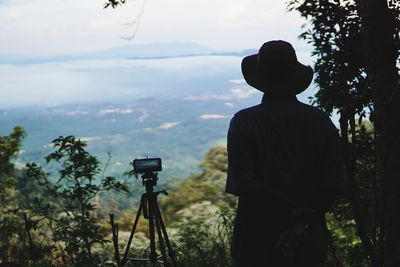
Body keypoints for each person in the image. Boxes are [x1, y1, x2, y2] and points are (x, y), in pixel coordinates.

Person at [225, 40, 345, 266]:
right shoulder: (320, 121)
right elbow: (334, 181)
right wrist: (301, 221)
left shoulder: (245, 122)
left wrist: (287, 213)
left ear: (260, 76)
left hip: (257, 237)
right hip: (309, 237)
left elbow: (244, 184)